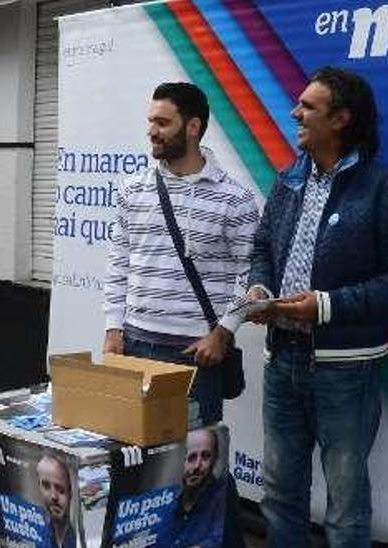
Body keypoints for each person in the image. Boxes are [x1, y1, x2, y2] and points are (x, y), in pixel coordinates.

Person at [245, 67, 388, 547]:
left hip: (344, 372)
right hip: (281, 360)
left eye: (308, 106)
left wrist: (326, 306)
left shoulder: (386, 190)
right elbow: (262, 245)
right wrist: (260, 289)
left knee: (345, 508)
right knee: (280, 495)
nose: (294, 113)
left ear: (342, 118)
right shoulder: (289, 181)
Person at [103, 82, 261, 427]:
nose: (152, 132)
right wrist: (113, 328)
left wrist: (223, 332)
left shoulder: (235, 198)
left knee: (195, 466)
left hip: (196, 354)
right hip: (133, 344)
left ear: (193, 127)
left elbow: (251, 273)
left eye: (162, 123)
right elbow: (119, 261)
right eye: (151, 122)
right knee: (136, 460)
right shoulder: (133, 188)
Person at [171, 428, 228, 548]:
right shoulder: (163, 496)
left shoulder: (223, 491)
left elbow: (220, 538)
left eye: (206, 456)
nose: (197, 466)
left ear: (214, 459)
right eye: (191, 457)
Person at [37, 452, 77, 548]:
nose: (53, 496)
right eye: (46, 486)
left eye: (60, 489)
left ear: (70, 493)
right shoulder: (38, 537)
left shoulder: (79, 539)